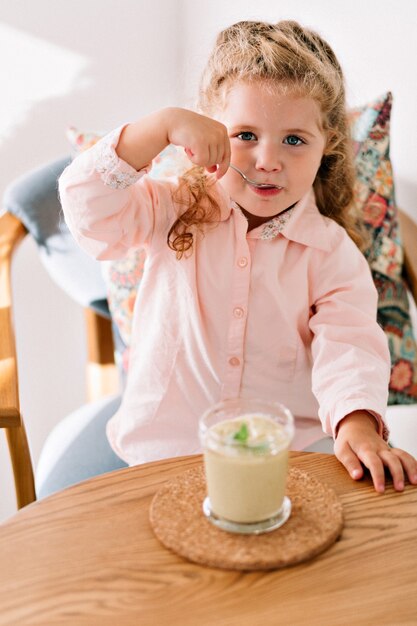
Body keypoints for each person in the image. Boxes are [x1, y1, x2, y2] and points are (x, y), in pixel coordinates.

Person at [59, 19, 417, 493]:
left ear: (327, 143)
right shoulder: (171, 206)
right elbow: (88, 206)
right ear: (208, 129)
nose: (267, 160)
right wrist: (161, 126)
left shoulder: (331, 253)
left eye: (293, 140)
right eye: (245, 135)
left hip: (289, 463)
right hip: (164, 458)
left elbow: (349, 345)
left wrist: (355, 421)